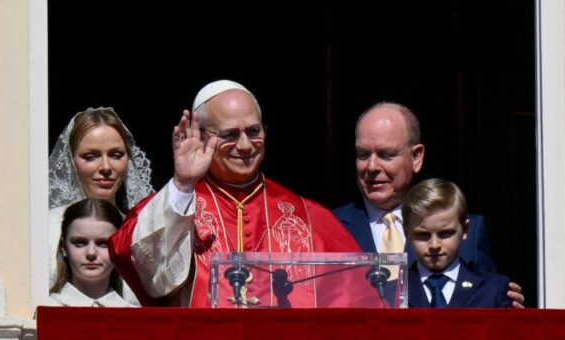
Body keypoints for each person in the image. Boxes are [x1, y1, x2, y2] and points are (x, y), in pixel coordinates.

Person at [109, 80, 360, 307]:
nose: (244, 145)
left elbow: (357, 293)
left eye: (253, 131)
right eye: (230, 134)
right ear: (203, 137)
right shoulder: (179, 200)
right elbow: (128, 254)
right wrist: (183, 184)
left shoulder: (306, 215)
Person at [331, 102, 525, 306]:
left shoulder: (472, 230)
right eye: (363, 155)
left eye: (386, 155)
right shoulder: (329, 228)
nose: (371, 167)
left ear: (416, 157)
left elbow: (484, 297)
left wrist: (505, 310)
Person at [47, 107, 153, 298]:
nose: (105, 167)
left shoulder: (139, 229)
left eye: (116, 155)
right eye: (91, 156)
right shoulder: (49, 227)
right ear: (71, 161)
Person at [402, 178, 512, 308]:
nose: (434, 245)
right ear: (406, 232)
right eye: (423, 235)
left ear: (465, 229)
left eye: (445, 233)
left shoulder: (493, 289)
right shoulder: (393, 291)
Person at [48, 198, 135, 307]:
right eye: (80, 243)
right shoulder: (44, 310)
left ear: (118, 248)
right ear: (64, 248)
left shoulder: (133, 316)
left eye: (103, 243)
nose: (91, 253)